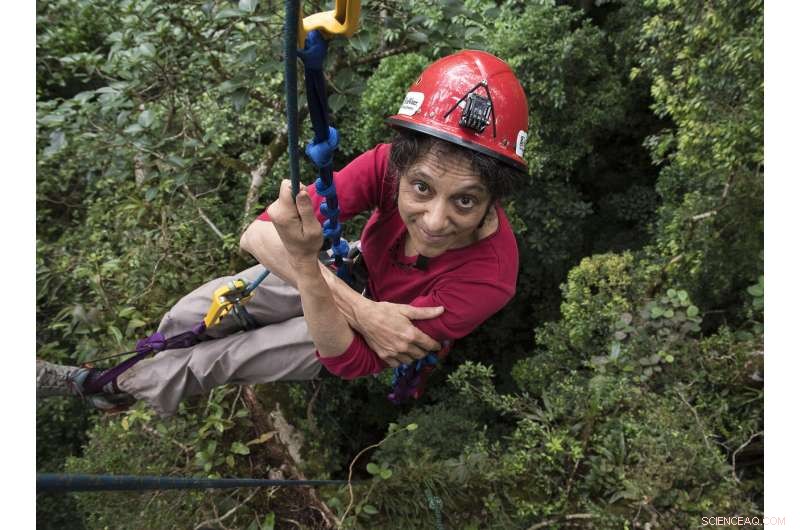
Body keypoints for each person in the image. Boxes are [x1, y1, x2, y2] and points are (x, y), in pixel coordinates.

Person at [36, 50, 529, 417]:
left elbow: (350, 361)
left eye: (464, 200)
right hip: (353, 278)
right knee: (195, 311)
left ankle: (105, 388)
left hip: (349, 333)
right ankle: (136, 365)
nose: (436, 220)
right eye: (421, 189)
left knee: (222, 359)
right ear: (401, 168)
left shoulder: (489, 278)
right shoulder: (387, 165)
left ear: (494, 198)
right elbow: (258, 235)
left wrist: (337, 298)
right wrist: (363, 308)